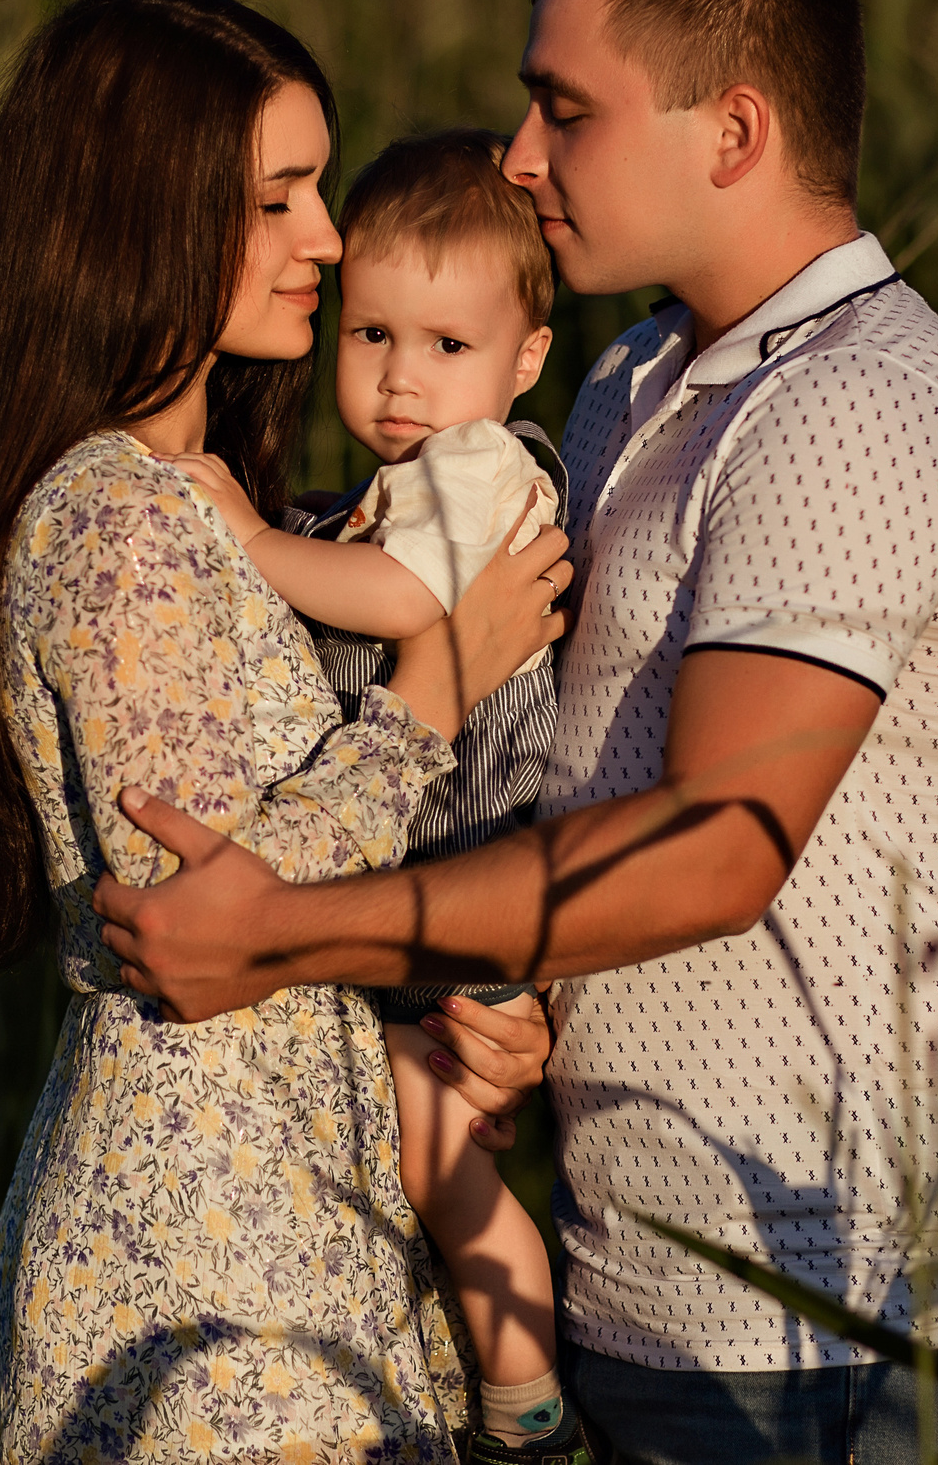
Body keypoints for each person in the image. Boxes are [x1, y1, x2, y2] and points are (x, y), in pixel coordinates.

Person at [94, 0, 938, 1465]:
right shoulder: (632, 384)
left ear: (734, 131)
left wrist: (285, 930)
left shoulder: (856, 412)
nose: (521, 155)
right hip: (642, 1286)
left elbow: (715, 845)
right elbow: (563, 765)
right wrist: (519, 1008)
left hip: (831, 1319)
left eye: (566, 109)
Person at [0, 0, 577, 1465]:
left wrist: (462, 1008)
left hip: (293, 1207)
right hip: (204, 1254)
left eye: (321, 189)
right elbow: (197, 914)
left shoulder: (236, 508)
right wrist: (442, 682)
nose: (328, 238)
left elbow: (309, 884)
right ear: (146, 219)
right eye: (278, 199)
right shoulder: (117, 522)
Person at [165, 129, 581, 1461]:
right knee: (412, 1152)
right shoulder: (380, 494)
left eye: (448, 345)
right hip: (409, 897)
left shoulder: (483, 473)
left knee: (437, 1159)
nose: (402, 378)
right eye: (373, 335)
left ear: (526, 359)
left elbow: (407, 603)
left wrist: (249, 540)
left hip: (461, 885)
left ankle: (530, 1403)